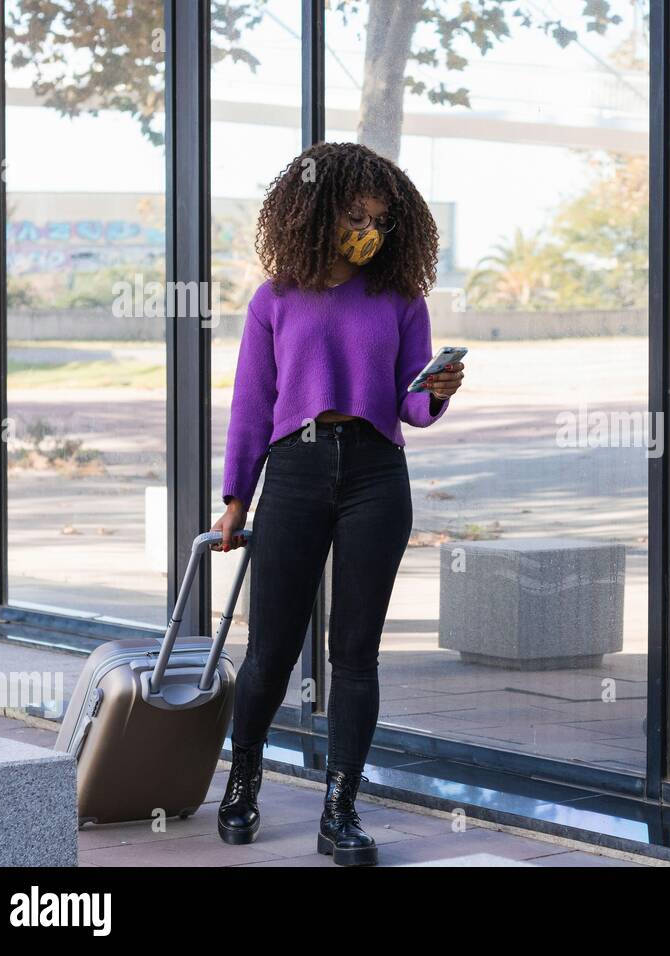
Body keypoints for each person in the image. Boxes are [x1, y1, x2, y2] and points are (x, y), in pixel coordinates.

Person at [210, 141, 464, 865]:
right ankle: (243, 781)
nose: (369, 231)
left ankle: (340, 808)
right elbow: (252, 407)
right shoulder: (276, 299)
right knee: (269, 651)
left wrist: (435, 393)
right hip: (292, 472)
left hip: (376, 474)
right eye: (356, 215)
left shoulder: (400, 299)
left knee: (354, 654)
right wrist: (236, 498)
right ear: (317, 211)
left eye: (381, 220)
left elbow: (410, 404)